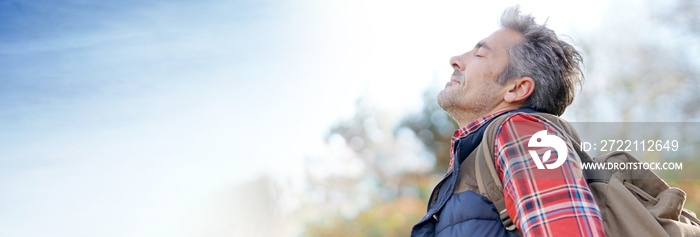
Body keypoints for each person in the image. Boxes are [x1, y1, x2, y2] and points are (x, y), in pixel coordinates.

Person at [411, 6, 607, 237]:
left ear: (516, 89)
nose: (455, 60)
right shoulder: (479, 155)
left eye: (479, 54)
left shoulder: (523, 133)